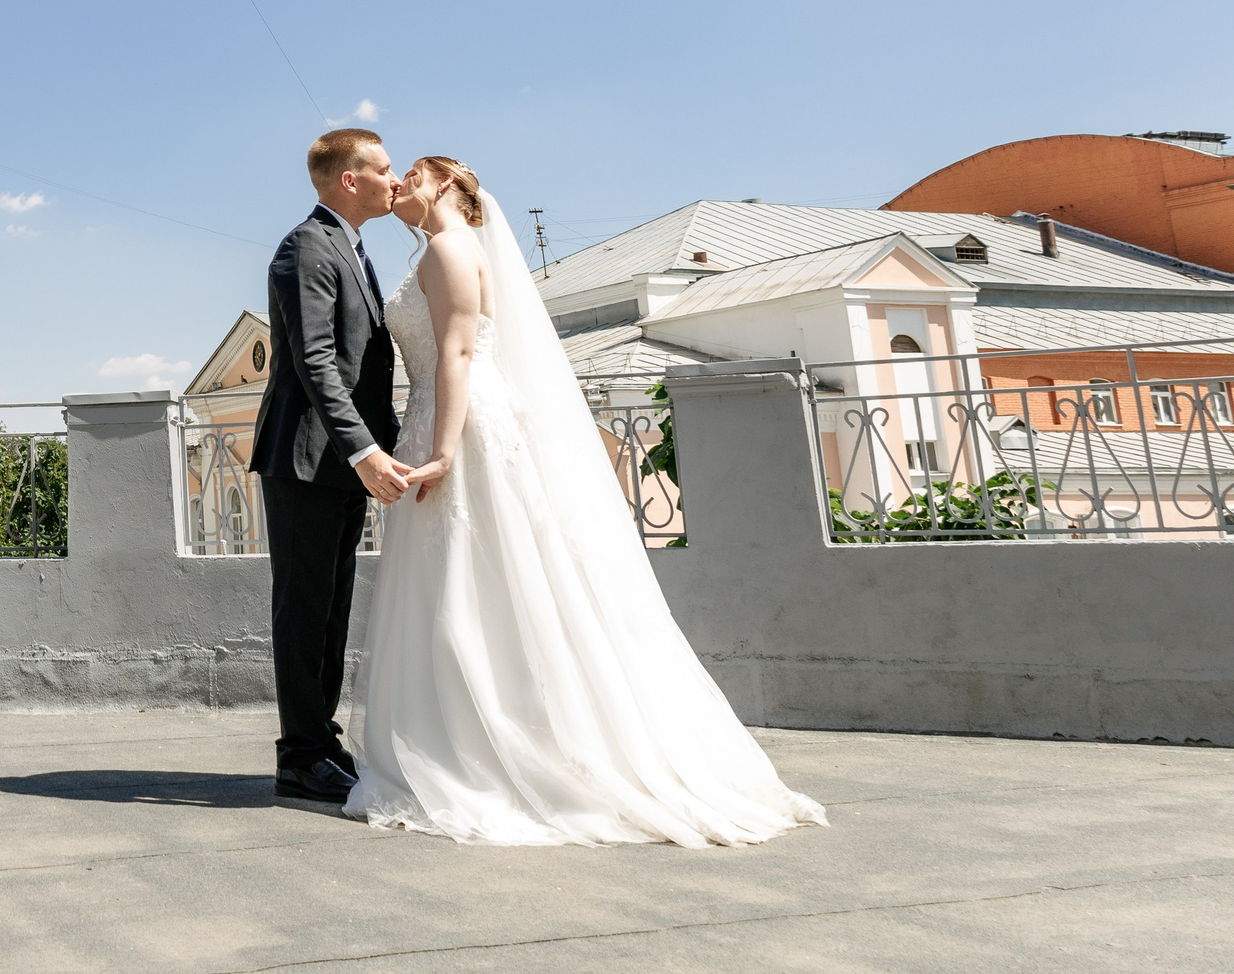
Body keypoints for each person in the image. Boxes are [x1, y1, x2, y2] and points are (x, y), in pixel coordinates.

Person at [344, 154, 827, 845]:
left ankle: (491, 746)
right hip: (440, 416)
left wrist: (444, 451)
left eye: (414, 173)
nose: (400, 184)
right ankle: (470, 731)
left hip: (461, 425)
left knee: (474, 580)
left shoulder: (450, 249)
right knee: (471, 580)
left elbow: (458, 354)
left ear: (448, 184)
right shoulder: (444, 250)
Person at [249, 128, 416, 804]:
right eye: (383, 168)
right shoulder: (306, 248)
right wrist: (364, 448)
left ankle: (321, 741)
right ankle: (299, 755)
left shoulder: (350, 247)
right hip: (305, 458)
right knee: (304, 610)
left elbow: (364, 367)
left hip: (340, 462)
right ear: (350, 179)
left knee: (331, 610)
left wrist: (389, 444)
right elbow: (315, 360)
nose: (394, 179)